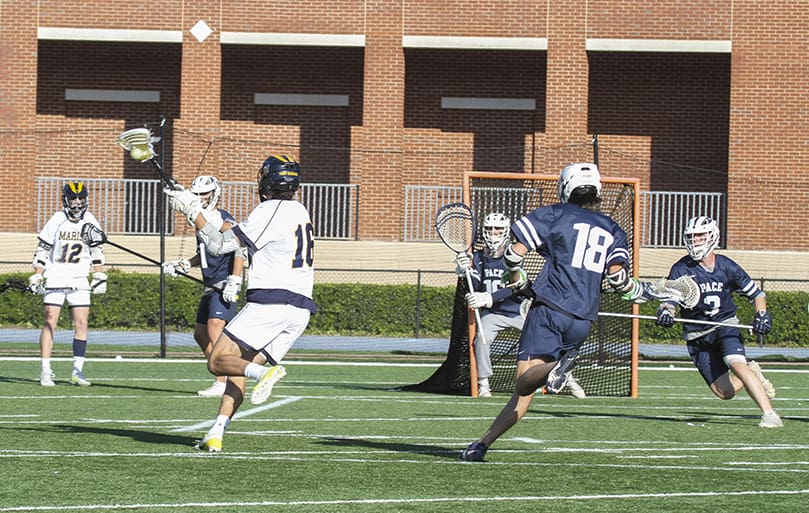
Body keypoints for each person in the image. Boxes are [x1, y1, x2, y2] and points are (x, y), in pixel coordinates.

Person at [461, 163, 652, 462]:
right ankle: (482, 444)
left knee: (524, 381)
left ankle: (556, 368)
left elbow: (513, 254)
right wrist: (638, 290)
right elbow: (618, 279)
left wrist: (517, 277)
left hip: (550, 308)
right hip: (583, 319)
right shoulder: (613, 228)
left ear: (566, 186)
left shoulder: (554, 214)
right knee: (524, 394)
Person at [165, 155, 316, 452]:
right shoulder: (299, 210)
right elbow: (230, 232)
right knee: (238, 367)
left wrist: (191, 210)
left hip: (271, 303)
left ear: (267, 180)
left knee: (217, 361)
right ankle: (217, 431)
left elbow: (220, 244)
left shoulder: (269, 209)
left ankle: (267, 374)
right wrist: (195, 209)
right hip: (299, 310)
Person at [655, 216, 782, 428]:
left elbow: (757, 294)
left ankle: (769, 414)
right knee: (724, 393)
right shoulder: (681, 268)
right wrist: (666, 311)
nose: (695, 241)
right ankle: (753, 373)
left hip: (725, 325)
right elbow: (671, 299)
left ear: (712, 236)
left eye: (699, 236)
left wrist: (761, 314)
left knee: (736, 362)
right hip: (697, 334)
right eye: (691, 237)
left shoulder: (727, 266)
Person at [455, 212, 586, 399]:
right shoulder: (478, 258)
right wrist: (463, 272)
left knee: (548, 342)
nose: (493, 233)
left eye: (498, 229)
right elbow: (475, 286)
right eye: (490, 229)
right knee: (481, 340)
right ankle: (483, 383)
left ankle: (568, 379)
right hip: (494, 314)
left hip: (520, 310)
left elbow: (515, 286)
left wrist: (489, 298)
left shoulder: (513, 253)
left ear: (506, 231)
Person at [162, 175, 245, 398]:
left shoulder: (223, 219)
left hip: (225, 282)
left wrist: (235, 280)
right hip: (210, 283)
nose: (200, 198)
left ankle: (222, 381)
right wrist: (185, 264)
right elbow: (205, 252)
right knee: (200, 334)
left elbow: (240, 248)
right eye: (196, 195)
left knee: (214, 326)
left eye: (204, 194)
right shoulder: (201, 224)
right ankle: (223, 371)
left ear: (214, 193)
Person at [30, 181, 106, 387]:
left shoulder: (89, 220)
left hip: (79, 279)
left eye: (81, 198)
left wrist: (98, 275)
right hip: (55, 277)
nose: (77, 202)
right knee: (50, 321)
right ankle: (45, 371)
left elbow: (96, 250)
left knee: (81, 324)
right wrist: (38, 274)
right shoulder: (57, 219)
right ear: (66, 199)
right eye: (73, 198)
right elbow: (43, 249)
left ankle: (77, 371)